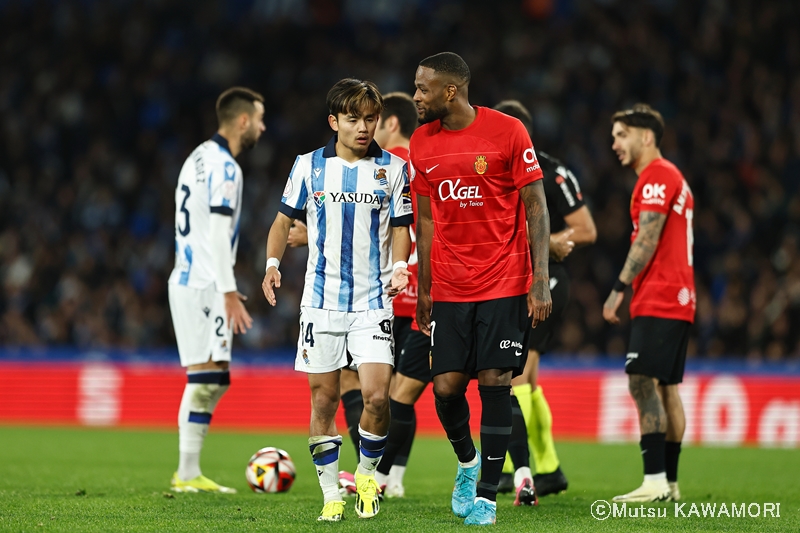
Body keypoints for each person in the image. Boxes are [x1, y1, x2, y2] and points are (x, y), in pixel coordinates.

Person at [410, 52, 552, 526]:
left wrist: (538, 278)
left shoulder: (509, 131)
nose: (415, 96)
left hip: (504, 280)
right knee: (446, 389)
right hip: (449, 285)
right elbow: (426, 221)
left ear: (450, 91)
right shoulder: (421, 143)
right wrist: (424, 290)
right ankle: (468, 462)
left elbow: (536, 205)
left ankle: (487, 497)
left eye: (422, 88)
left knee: (496, 381)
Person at [262, 79, 413, 522]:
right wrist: (272, 262)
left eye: (370, 118)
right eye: (353, 119)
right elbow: (281, 220)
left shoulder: (392, 169)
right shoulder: (308, 166)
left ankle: (367, 475)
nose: (364, 127)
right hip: (321, 304)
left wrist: (401, 266)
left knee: (377, 397)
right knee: (324, 400)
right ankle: (331, 493)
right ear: (334, 121)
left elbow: (402, 226)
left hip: (372, 302)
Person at [492, 100, 597, 502]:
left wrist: (551, 241)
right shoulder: (495, 171)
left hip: (545, 278)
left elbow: (586, 230)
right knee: (527, 381)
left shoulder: (552, 173)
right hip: (513, 277)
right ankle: (548, 468)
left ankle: (513, 469)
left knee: (516, 375)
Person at [167, 87, 265, 493]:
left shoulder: (196, 157)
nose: (262, 126)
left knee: (212, 377)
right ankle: (186, 473)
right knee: (206, 377)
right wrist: (228, 290)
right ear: (242, 121)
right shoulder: (226, 167)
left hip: (189, 276)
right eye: (259, 118)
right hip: (206, 283)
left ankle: (189, 472)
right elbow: (218, 232)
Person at [603, 103, 695, 503]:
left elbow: (648, 237)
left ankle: (655, 480)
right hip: (679, 295)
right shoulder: (672, 176)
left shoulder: (657, 175)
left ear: (646, 136)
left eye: (621, 135)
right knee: (667, 388)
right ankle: (670, 483)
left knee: (641, 380)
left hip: (660, 294)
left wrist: (620, 286)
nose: (614, 145)